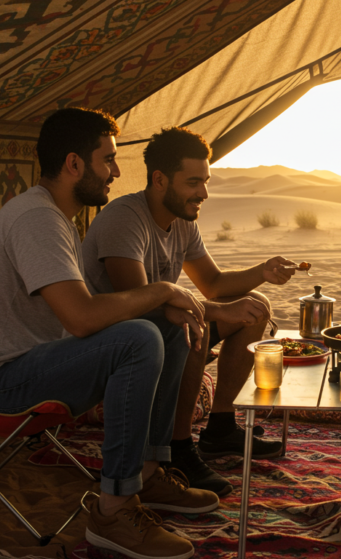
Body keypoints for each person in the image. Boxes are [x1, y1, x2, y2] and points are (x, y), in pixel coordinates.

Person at [0, 107, 217, 559]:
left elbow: (84, 317)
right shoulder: (37, 220)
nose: (115, 171)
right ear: (75, 164)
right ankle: (114, 510)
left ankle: (147, 473)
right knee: (140, 336)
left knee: (164, 329)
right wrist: (162, 290)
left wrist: (163, 305)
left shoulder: (57, 217)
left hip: (35, 361)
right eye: (108, 159)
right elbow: (80, 318)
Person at [82, 126, 296, 497]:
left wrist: (261, 273)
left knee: (255, 308)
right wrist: (215, 311)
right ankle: (178, 448)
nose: (204, 193)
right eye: (193, 182)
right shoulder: (124, 219)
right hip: (120, 341)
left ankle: (221, 429)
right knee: (190, 324)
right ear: (160, 180)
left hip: (164, 325)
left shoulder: (181, 220)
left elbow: (211, 283)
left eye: (206, 181)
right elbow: (138, 300)